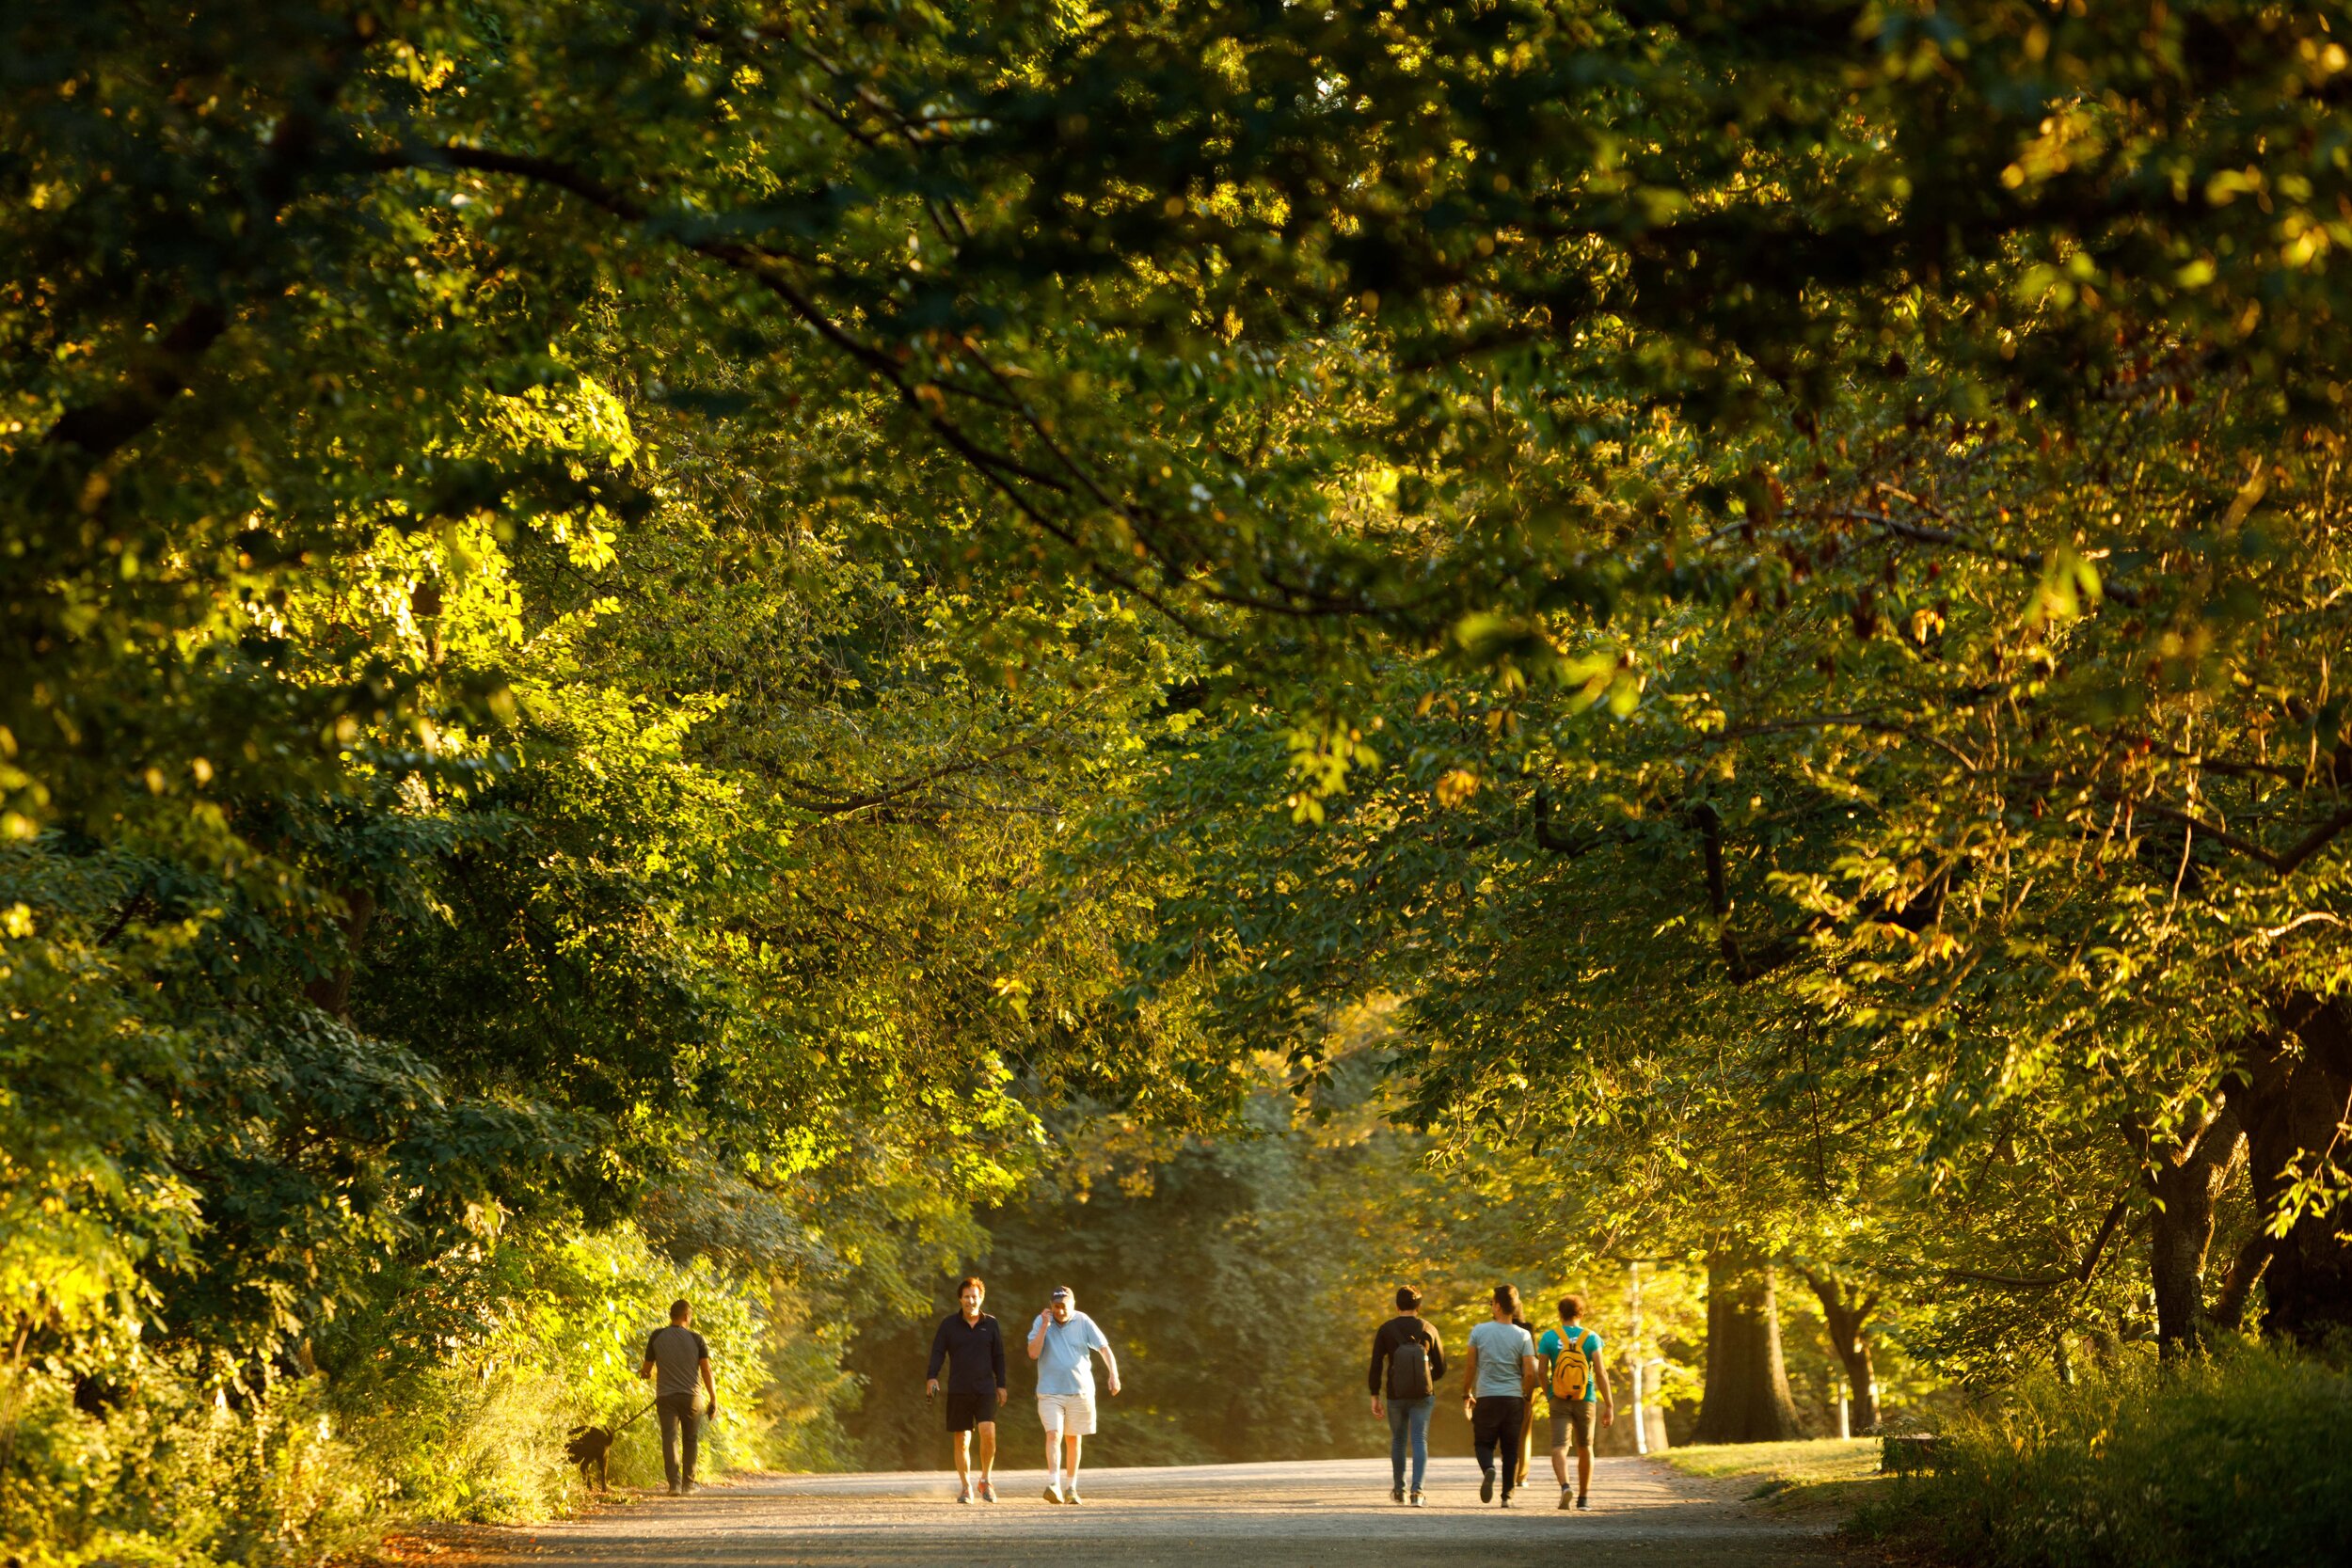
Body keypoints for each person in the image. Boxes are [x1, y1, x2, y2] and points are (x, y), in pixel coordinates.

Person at [1027, 1285, 1120, 1504]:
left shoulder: (1083, 1321)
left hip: (1080, 1390)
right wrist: (1044, 1327)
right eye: (1056, 1306)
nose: (1060, 1310)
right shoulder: (1042, 1322)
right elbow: (1033, 1353)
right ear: (1051, 1306)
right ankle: (1053, 1484)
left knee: (1073, 1439)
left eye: (1064, 1306)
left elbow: (1104, 1348)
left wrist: (1114, 1375)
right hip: (1050, 1391)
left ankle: (1071, 1488)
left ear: (1073, 1305)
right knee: (1053, 1434)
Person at [926, 1275, 1009, 1503]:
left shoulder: (991, 1324)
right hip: (959, 1389)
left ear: (981, 1298)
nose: (971, 1301)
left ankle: (986, 1480)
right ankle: (965, 1487)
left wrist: (1001, 1384)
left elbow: (998, 1356)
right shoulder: (948, 1325)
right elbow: (938, 1352)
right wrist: (931, 1377)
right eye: (966, 1297)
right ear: (960, 1300)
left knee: (988, 1433)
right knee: (962, 1440)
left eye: (974, 1296)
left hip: (985, 1389)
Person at [1461, 1283, 1540, 1507]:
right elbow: (1528, 1371)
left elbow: (1470, 1366)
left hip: (1486, 1396)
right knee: (1510, 1448)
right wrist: (1525, 1397)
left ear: (1496, 1306)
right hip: (1513, 1398)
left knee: (1483, 1443)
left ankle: (1488, 1469)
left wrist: (1466, 1392)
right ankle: (1507, 1497)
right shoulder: (1524, 1335)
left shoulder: (1479, 1331)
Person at [1367, 1285, 1447, 1506]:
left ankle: (1399, 1490)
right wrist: (1427, 1380)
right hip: (1423, 1394)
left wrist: (1375, 1394)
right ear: (1419, 1307)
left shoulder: (1386, 1330)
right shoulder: (1429, 1329)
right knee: (1419, 1439)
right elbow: (1441, 1366)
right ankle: (1417, 1493)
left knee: (1399, 1440)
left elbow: (1375, 1364)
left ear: (1396, 1306)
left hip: (1395, 1394)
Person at [1536, 1293, 1616, 1511]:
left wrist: (1549, 1393)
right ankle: (1583, 1499)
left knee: (1559, 1447)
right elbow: (1600, 1372)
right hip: (1586, 1397)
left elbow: (1541, 1371)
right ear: (1581, 1312)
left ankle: (1564, 1486)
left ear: (1560, 1313)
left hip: (1558, 1397)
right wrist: (1609, 1404)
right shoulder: (1592, 1338)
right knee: (1585, 1448)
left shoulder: (1549, 1338)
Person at [639, 1298, 717, 1496]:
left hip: (666, 1397)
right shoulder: (697, 1339)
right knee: (690, 1439)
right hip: (692, 1397)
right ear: (686, 1316)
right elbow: (706, 1371)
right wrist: (713, 1398)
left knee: (669, 1438)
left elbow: (646, 1369)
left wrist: (646, 1374)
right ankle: (688, 1485)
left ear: (671, 1316)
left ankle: (674, 1485)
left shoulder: (657, 1336)